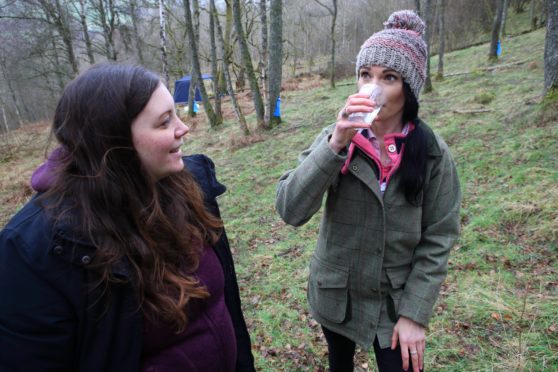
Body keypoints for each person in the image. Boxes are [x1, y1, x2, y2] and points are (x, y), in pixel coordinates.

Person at [0, 63, 255, 372]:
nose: (183, 128)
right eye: (164, 122)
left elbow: (223, 307)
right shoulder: (35, 250)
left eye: (175, 113)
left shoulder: (189, 186)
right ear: (113, 140)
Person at [276, 10, 461, 372]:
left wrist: (415, 314)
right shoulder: (336, 137)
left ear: (408, 88)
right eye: (365, 75)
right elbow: (290, 210)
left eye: (388, 77)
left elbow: (439, 238)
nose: (372, 87)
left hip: (394, 305)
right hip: (336, 295)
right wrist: (335, 145)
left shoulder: (433, 154)